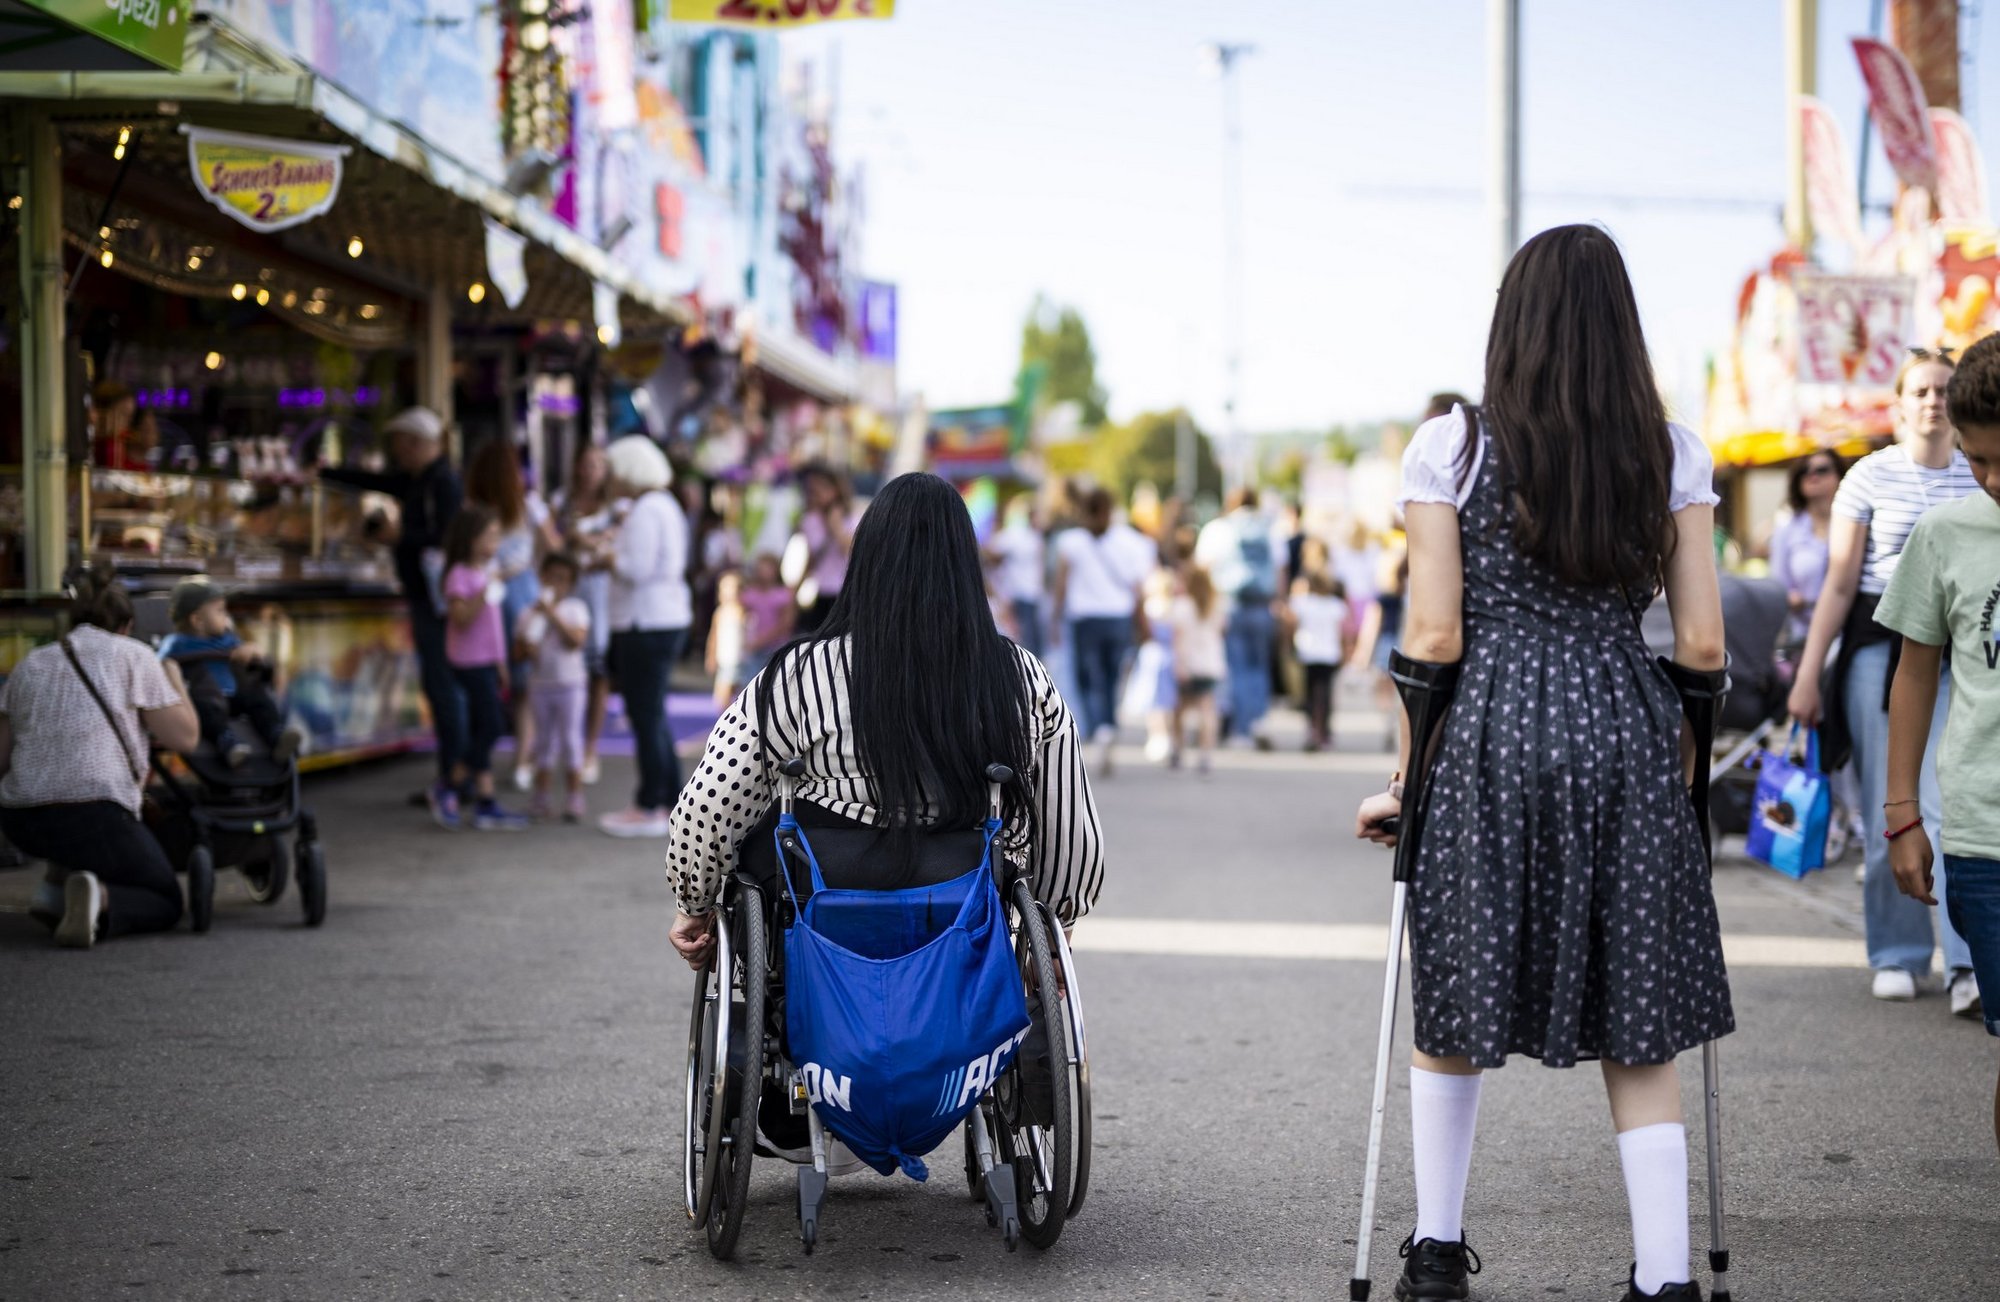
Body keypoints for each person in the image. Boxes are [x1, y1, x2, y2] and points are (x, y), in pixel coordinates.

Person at [1352, 225, 1732, 1301]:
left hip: (1486, 736)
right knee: (1639, 1009)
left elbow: (1430, 638)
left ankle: (1433, 1252)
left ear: (1508, 323)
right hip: (1622, 730)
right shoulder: (1668, 452)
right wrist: (1688, 766)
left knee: (1457, 993)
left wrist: (1403, 785)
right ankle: (1663, 1277)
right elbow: (1700, 645)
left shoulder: (1451, 447)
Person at [663, 471, 1106, 970]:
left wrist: (693, 905)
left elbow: (709, 810)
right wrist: (1055, 922)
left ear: (866, 560)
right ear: (965, 565)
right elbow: (1068, 828)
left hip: (818, 910)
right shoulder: (1020, 678)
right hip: (964, 907)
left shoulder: (795, 677)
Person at [1787, 346, 1982, 1011]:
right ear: (1899, 405)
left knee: (1955, 802)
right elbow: (1839, 584)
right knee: (1889, 803)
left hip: (1963, 644)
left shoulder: (1979, 472)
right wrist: (1809, 674)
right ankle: (1898, 951)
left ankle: (1968, 962)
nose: (1932, 400)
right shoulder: (1868, 476)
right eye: (1920, 390)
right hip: (1880, 642)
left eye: (1942, 390)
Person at [1879, 334, 2000, 1154]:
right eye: (1975, 460)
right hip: (1986, 837)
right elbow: (1914, 675)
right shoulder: (1947, 533)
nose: (1989, 480)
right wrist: (1901, 816)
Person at [0, 565, 199, 948]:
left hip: (20, 818)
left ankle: (56, 891)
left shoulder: (29, 664)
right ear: (126, 626)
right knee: (165, 899)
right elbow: (185, 737)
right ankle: (99, 897)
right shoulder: (134, 656)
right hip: (93, 812)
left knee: (70, 824)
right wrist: (173, 678)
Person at [321, 407, 464, 809]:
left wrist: (401, 537)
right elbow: (379, 481)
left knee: (444, 689)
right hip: (424, 595)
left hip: (435, 599)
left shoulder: (442, 482)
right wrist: (327, 473)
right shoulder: (420, 480)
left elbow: (447, 538)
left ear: (418, 443)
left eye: (401, 445)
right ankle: (453, 774)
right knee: (440, 690)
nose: (397, 454)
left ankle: (457, 776)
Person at [596, 436, 692, 839]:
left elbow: (636, 568)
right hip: (660, 619)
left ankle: (652, 802)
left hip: (645, 622)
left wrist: (606, 556)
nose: (610, 479)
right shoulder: (663, 505)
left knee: (645, 715)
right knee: (652, 714)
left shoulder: (647, 510)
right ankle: (668, 800)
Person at [465, 438, 558, 793]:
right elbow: (556, 549)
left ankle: (484, 765)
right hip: (523, 597)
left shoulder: (474, 508)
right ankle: (523, 761)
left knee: (489, 684)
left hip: (485, 597)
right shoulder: (530, 506)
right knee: (524, 687)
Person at [1051, 486, 1154, 774]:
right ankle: (1108, 724)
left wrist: (1055, 621)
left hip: (1085, 619)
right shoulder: (1130, 541)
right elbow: (1138, 589)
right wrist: (1142, 623)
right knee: (1111, 677)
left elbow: (1061, 586)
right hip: (1118, 619)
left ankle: (1098, 727)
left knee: (1087, 677)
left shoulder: (1070, 541)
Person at [439, 506, 530, 831]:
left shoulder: (483, 572)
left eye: (496, 535)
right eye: (489, 535)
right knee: (491, 725)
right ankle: (451, 782)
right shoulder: (460, 575)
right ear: (470, 538)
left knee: (485, 725)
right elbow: (461, 618)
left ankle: (485, 799)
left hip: (487, 663)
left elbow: (492, 627)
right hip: (468, 662)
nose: (495, 541)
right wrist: (483, 590)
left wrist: (501, 663)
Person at [157, 578, 306, 767]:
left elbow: (248, 653)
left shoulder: (227, 639)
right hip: (202, 700)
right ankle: (226, 742)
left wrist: (252, 652)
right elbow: (160, 664)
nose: (227, 617)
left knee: (257, 696)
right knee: (205, 709)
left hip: (233, 695)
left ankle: (276, 735)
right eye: (220, 611)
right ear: (197, 620)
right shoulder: (176, 643)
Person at [1195, 488, 1281, 748]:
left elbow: (1203, 569)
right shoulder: (1268, 529)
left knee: (1236, 667)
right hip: (1262, 605)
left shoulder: (1218, 529)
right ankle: (1259, 719)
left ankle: (1241, 729)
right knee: (1259, 665)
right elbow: (1280, 569)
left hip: (1229, 604)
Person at [553, 442, 616, 786]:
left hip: (600, 597)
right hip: (570, 591)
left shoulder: (615, 507)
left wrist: (584, 539)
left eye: (597, 465)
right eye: (586, 463)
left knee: (597, 671)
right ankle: (561, 748)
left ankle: (590, 748)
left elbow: (614, 545)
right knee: (563, 666)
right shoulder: (562, 503)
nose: (591, 471)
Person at [517, 551, 591, 823]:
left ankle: (574, 797)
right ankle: (541, 796)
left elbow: (576, 640)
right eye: (551, 578)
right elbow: (519, 653)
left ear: (570, 584)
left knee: (571, 740)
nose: (556, 584)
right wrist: (527, 648)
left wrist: (553, 615)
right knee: (543, 741)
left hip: (571, 685)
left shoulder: (575, 609)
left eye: (563, 579)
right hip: (540, 685)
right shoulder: (528, 613)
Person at [1769, 451, 1845, 644]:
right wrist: (1792, 599)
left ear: (1840, 476)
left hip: (1849, 635)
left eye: (1822, 469)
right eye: (1804, 471)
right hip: (1803, 636)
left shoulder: (1854, 526)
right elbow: (1777, 587)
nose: (1812, 475)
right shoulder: (1787, 529)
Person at [1167, 563, 1226, 776]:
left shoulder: (1182, 606)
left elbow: (1178, 640)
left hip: (1189, 664)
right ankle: (1205, 753)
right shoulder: (1215, 606)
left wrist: (1179, 664)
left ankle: (1177, 749)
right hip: (1210, 664)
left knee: (1180, 710)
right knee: (1207, 709)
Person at [1289, 568, 1349, 752]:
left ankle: (1313, 729)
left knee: (1310, 693)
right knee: (1324, 693)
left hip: (1309, 653)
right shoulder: (1335, 605)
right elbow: (1344, 632)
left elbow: (1291, 622)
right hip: (1329, 654)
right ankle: (1323, 731)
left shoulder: (1303, 603)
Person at [795, 462, 859, 634]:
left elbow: (850, 552)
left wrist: (836, 525)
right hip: (820, 591)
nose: (815, 494)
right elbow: (811, 558)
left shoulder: (852, 519)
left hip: (844, 590)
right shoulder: (810, 521)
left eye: (820, 489)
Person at [988, 496, 1048, 659]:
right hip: (1022, 593)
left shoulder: (1031, 538)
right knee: (1026, 635)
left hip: (1027, 593)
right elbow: (992, 555)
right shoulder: (1021, 537)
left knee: (1027, 634)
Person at [737, 552, 796, 686]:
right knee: (749, 684)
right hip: (753, 649)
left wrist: (762, 640)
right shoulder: (749, 594)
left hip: (776, 648)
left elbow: (786, 624)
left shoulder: (784, 595)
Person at [706, 569, 748, 709]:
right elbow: (714, 636)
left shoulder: (745, 611)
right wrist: (711, 656)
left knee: (743, 697)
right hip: (725, 661)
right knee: (721, 699)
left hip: (742, 661)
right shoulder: (719, 613)